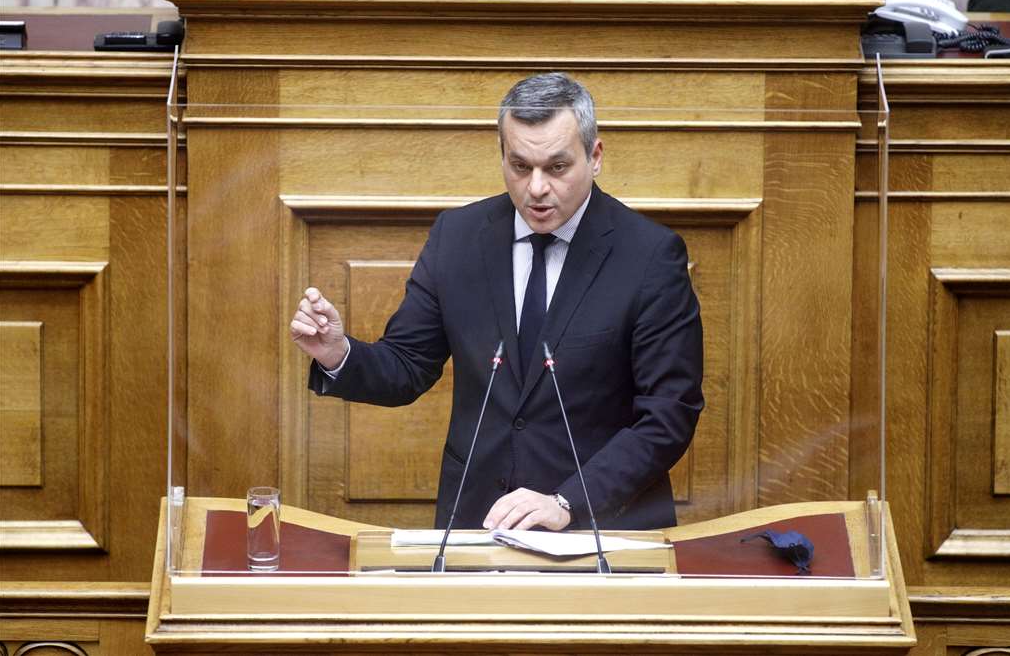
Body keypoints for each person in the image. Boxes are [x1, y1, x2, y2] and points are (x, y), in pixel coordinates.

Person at [290, 72, 703, 532]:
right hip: (479, 526)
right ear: (502, 155)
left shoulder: (650, 256)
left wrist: (568, 501)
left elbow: (669, 415)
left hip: (600, 531)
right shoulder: (458, 237)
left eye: (557, 167)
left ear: (595, 156)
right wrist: (338, 354)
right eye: (520, 166)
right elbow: (407, 366)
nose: (537, 188)